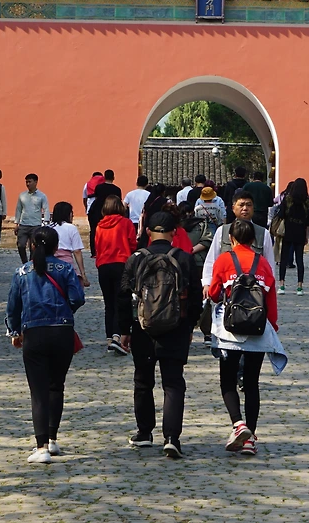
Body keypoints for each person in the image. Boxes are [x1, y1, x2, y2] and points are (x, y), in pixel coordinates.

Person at [119, 211, 202, 458]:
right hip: (176, 327)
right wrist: (190, 325)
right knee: (173, 383)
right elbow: (196, 296)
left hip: (142, 329)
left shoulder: (136, 259)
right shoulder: (184, 258)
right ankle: (172, 437)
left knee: (143, 381)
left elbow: (122, 297)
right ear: (174, 232)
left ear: (147, 231)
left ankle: (144, 433)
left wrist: (124, 330)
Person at [6, 226, 86, 464]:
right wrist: (65, 311)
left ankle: (41, 447)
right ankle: (52, 439)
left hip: (34, 333)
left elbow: (13, 307)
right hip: (62, 331)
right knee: (56, 386)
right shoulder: (66, 269)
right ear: (56, 247)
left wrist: (14, 331)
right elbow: (78, 298)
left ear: (31, 245)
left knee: (38, 391)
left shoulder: (22, 272)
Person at [208, 220, 282, 456]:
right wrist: (272, 326)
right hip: (258, 331)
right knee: (251, 383)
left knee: (227, 380)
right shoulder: (263, 264)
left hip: (231, 332)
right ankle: (250, 439)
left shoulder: (224, 260)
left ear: (231, 239)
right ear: (254, 240)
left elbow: (214, 293)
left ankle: (238, 423)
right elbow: (270, 298)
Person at [200, 190, 277, 296]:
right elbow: (211, 259)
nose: (245, 208)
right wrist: (207, 283)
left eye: (249, 205)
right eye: (241, 205)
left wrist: (270, 289)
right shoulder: (222, 231)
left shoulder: (263, 233)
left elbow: (270, 264)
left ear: (253, 208)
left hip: (254, 292)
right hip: (227, 290)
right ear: (233, 208)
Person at [92, 195, 138, 355]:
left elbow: (97, 246)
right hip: (121, 264)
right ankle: (118, 336)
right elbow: (132, 243)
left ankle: (109, 337)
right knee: (121, 301)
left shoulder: (99, 226)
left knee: (108, 303)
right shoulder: (126, 223)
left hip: (103, 266)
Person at [273, 178, 309, 295]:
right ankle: (299, 287)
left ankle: (282, 285)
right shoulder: (307, 202)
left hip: (288, 231)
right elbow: (308, 222)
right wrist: (306, 236)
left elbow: (281, 214)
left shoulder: (288, 199)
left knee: (284, 259)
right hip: (300, 232)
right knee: (300, 260)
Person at [46, 201, 88, 286]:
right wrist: (83, 274)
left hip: (49, 264)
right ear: (68, 214)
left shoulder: (47, 228)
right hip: (67, 263)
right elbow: (77, 251)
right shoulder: (71, 228)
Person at [15, 173, 50, 264]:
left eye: (29, 182)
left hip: (36, 225)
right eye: (26, 182)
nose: (28, 184)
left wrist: (46, 223)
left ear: (36, 182)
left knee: (33, 247)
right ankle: (24, 263)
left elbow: (46, 209)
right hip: (23, 224)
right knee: (20, 245)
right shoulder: (22, 195)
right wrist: (16, 223)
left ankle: (31, 263)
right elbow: (18, 209)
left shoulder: (42, 196)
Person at [88, 170, 122, 250]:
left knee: (94, 231)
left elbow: (96, 198)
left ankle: (94, 250)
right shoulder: (117, 190)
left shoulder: (99, 187)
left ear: (104, 177)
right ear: (113, 177)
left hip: (98, 211)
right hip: (112, 213)